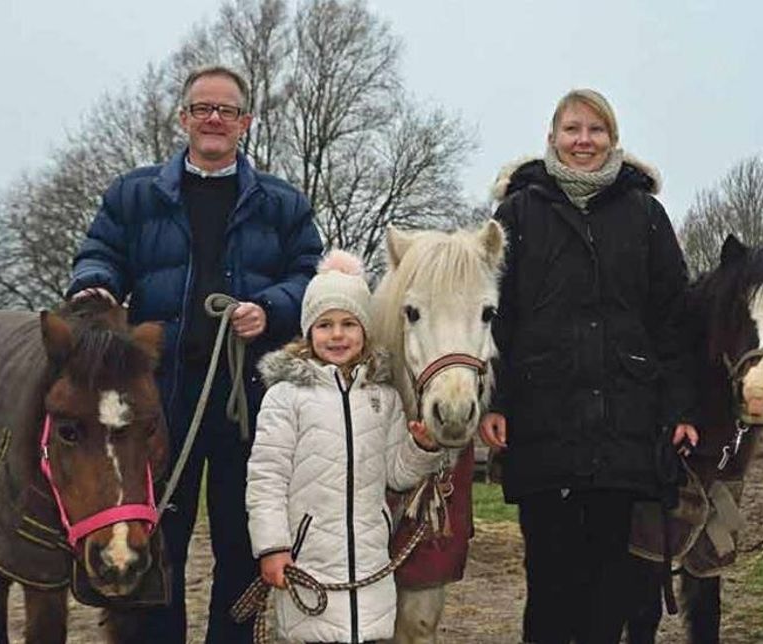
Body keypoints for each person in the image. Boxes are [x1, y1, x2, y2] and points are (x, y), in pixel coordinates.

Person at [67, 65, 323, 643]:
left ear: (245, 124)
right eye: (202, 108)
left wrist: (271, 307)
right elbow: (100, 251)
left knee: (240, 537)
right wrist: (94, 284)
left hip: (246, 399)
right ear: (183, 118)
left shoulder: (282, 204)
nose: (213, 119)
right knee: (160, 534)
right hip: (158, 399)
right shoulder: (134, 195)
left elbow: (311, 275)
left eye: (226, 110)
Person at [478, 88, 698, 644]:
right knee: (548, 579)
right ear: (552, 137)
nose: (583, 141)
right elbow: (495, 318)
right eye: (572, 129)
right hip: (541, 421)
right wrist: (495, 400)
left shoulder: (646, 215)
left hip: (624, 426)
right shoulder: (517, 213)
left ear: (613, 140)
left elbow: (673, 320)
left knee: (612, 583)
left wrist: (678, 408)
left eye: (595, 131)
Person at [246, 250, 442, 644]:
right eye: (325, 325)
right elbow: (266, 478)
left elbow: (396, 474)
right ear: (308, 331)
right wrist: (272, 547)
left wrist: (420, 447)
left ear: (365, 330)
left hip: (370, 565)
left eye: (349, 323)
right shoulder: (286, 397)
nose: (337, 335)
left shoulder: (382, 397)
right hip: (308, 565)